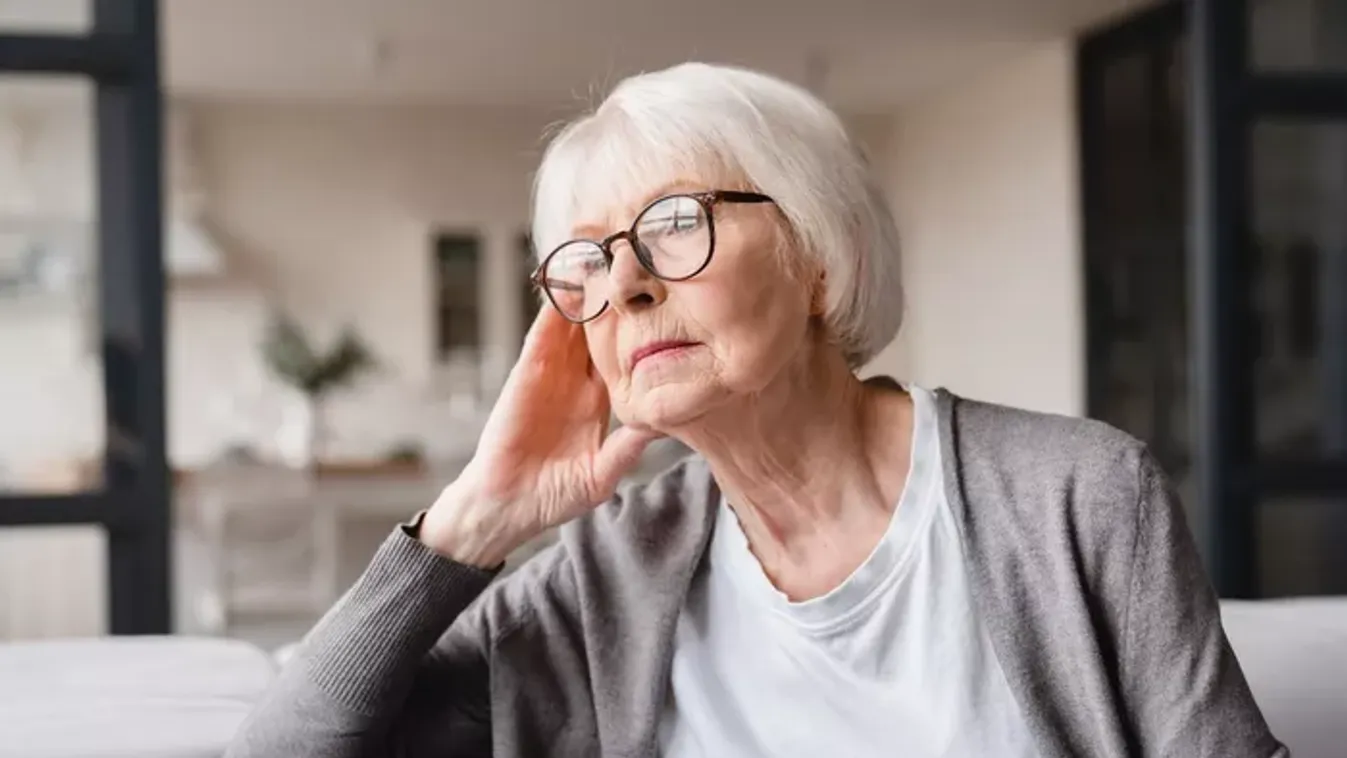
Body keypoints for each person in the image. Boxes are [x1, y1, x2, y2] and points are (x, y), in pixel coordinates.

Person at [227, 62, 1286, 758]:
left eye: (675, 223)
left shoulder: (1079, 496)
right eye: (590, 258)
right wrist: (471, 520)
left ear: (821, 259)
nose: (628, 282)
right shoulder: (605, 572)